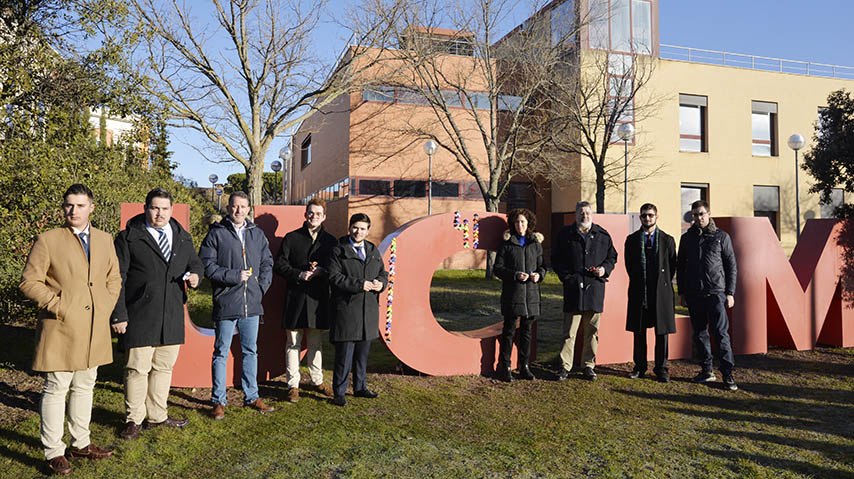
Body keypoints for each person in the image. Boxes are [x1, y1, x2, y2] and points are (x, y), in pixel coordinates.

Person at [20, 184, 122, 475]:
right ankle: (53, 451)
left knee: (85, 386)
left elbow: (113, 278)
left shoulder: (104, 239)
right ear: (63, 207)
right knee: (55, 389)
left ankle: (81, 442)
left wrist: (105, 304)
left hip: (94, 328)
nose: (73, 210)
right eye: (68, 205)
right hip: (61, 328)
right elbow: (29, 281)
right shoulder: (48, 240)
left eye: (79, 205)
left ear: (91, 207)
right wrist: (58, 304)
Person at [111, 188, 203, 439]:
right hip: (138, 313)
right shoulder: (128, 238)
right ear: (145, 208)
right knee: (137, 369)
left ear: (172, 210)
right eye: (154, 207)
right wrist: (118, 314)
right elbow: (117, 278)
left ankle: (157, 415)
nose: (159, 213)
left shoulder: (182, 237)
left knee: (163, 368)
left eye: (164, 208)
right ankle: (134, 419)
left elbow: (195, 263)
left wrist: (196, 275)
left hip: (171, 313)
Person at [199, 191, 275, 420]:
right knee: (221, 352)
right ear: (228, 208)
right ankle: (218, 400)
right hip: (226, 302)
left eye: (243, 206)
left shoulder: (257, 234)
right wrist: (234, 276)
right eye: (234, 206)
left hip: (251, 304)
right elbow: (207, 266)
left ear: (249, 209)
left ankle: (251, 396)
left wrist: (261, 288)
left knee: (250, 351)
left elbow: (267, 262)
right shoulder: (216, 234)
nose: (238, 210)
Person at [273, 198, 337, 403]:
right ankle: (293, 385)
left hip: (318, 300)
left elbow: (336, 270)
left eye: (318, 214)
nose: (314, 217)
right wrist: (298, 274)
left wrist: (323, 271)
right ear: (305, 214)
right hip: (296, 298)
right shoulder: (291, 238)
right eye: (311, 213)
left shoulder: (330, 241)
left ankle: (317, 380)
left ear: (324, 216)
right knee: (293, 342)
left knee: (316, 342)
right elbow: (279, 265)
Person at [326, 213, 388, 406]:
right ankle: (340, 392)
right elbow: (334, 277)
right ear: (349, 228)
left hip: (367, 311)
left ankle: (360, 387)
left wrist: (381, 284)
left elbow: (382, 272)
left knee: (362, 355)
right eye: (355, 227)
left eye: (362, 228)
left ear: (368, 231)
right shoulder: (338, 250)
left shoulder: (372, 250)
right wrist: (359, 284)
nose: (358, 231)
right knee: (344, 355)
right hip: (347, 310)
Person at [552, 201, 617, 381]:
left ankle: (588, 365)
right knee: (569, 332)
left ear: (592, 214)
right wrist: (566, 277)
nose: (585, 216)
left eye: (588, 213)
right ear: (576, 214)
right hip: (573, 289)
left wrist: (604, 269)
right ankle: (565, 366)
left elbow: (612, 257)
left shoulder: (603, 235)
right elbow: (556, 259)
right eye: (581, 213)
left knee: (592, 332)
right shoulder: (565, 234)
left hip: (595, 289)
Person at [677, 200, 739, 391]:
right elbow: (681, 267)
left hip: (716, 294)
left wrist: (730, 292)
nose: (699, 218)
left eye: (702, 214)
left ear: (709, 214)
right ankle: (706, 370)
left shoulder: (721, 237)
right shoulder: (687, 238)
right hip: (695, 294)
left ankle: (727, 375)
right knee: (700, 334)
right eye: (695, 215)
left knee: (720, 334)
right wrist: (682, 292)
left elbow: (731, 266)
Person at [624, 203, 677, 382]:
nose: (647, 218)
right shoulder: (631, 240)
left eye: (651, 215)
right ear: (640, 217)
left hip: (660, 293)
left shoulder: (668, 240)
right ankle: (640, 367)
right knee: (639, 333)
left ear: (657, 217)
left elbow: (672, 266)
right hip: (640, 292)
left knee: (662, 333)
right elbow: (629, 266)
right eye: (644, 215)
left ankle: (661, 368)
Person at [493, 208, 545, 382]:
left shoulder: (535, 244)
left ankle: (525, 366)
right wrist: (515, 275)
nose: (520, 225)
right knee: (508, 332)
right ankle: (505, 367)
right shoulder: (507, 244)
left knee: (526, 333)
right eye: (516, 222)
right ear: (512, 224)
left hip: (531, 297)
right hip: (512, 295)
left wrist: (539, 275)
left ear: (528, 223)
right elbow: (497, 269)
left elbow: (542, 266)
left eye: (523, 221)